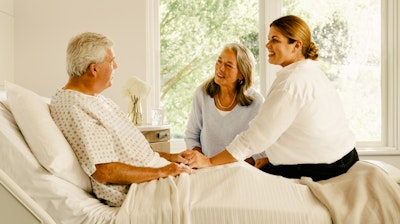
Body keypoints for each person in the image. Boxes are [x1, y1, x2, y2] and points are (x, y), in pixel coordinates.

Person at [182, 15, 359, 181]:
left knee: (243, 183)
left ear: (296, 45)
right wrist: (270, 159)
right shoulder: (307, 72)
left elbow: (256, 138)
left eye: (275, 40)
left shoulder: (291, 83)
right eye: (269, 39)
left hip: (328, 167)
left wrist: (210, 162)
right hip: (343, 157)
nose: (267, 45)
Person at [50, 32, 192, 207]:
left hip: (156, 173)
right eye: (111, 61)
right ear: (94, 69)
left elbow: (131, 154)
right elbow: (104, 171)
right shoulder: (73, 105)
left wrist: (171, 158)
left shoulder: (98, 99)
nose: (116, 66)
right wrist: (163, 171)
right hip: (140, 191)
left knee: (228, 177)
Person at [184, 43, 268, 168]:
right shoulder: (202, 94)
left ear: (241, 74)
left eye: (228, 65)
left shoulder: (257, 102)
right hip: (205, 170)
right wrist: (202, 162)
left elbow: (263, 148)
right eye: (219, 61)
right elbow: (191, 136)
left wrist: (225, 165)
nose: (220, 68)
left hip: (239, 170)